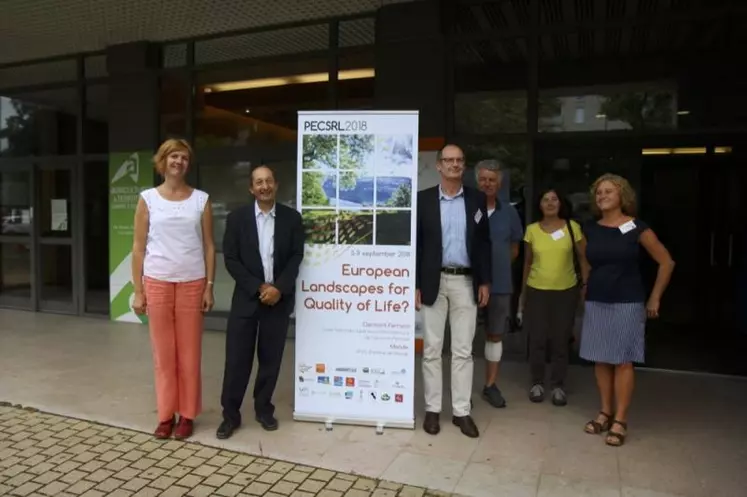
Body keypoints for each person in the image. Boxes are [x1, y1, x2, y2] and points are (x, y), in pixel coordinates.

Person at [580, 173, 674, 447]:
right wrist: (586, 283)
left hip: (627, 301)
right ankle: (604, 412)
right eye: (599, 192)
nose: (602, 196)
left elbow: (666, 262)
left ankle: (620, 419)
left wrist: (655, 298)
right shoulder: (591, 228)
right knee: (600, 358)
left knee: (622, 360)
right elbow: (585, 260)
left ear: (623, 195)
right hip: (597, 300)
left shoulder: (636, 227)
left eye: (608, 191)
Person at [131, 138, 216, 440]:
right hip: (157, 282)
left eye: (184, 157)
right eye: (173, 156)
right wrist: (138, 291)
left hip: (192, 283)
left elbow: (208, 246)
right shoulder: (147, 199)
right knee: (163, 355)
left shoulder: (201, 200)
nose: (179, 162)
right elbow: (138, 248)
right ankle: (166, 415)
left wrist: (209, 285)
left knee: (189, 354)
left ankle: (188, 415)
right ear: (163, 161)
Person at [217, 165, 304, 439]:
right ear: (251, 188)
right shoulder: (237, 218)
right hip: (246, 300)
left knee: (270, 359)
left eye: (268, 181)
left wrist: (278, 288)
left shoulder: (292, 218)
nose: (264, 186)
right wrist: (258, 287)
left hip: (278, 301)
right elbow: (230, 259)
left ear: (276, 185)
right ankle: (230, 416)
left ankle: (263, 409)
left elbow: (295, 257)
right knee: (236, 361)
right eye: (258, 182)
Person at [416, 144, 491, 438]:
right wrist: (416, 285)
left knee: (463, 351)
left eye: (459, 160)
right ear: (438, 165)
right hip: (434, 281)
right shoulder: (423, 200)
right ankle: (432, 411)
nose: (454, 164)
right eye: (448, 160)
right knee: (432, 350)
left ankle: (462, 412)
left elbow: (484, 244)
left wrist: (484, 281)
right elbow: (418, 245)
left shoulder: (476, 200)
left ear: (464, 165)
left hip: (466, 282)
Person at [520, 188, 587, 406]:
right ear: (539, 205)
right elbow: (527, 263)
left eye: (554, 199)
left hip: (566, 291)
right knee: (537, 339)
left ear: (560, 203)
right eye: (545, 199)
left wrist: (585, 285)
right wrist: (522, 293)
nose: (550, 203)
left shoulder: (572, 227)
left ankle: (558, 385)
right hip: (536, 290)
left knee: (561, 339)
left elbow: (584, 259)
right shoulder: (531, 230)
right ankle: (537, 383)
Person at [475, 159, 523, 408]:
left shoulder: (510, 212)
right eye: (483, 179)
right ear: (476, 181)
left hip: (501, 284)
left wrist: (498, 266)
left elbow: (515, 247)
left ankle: (490, 385)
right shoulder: (466, 208)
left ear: (500, 183)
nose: (487, 184)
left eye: (492, 179)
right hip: (468, 283)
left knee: (495, 336)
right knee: (463, 338)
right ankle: (461, 391)